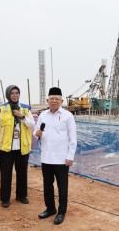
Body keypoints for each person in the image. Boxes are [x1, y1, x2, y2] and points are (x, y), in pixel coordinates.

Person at [34, 87, 77, 225]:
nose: (54, 101)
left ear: (61, 101)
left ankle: (61, 211)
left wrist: (70, 157)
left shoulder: (67, 116)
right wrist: (37, 133)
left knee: (62, 187)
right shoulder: (43, 115)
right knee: (47, 185)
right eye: (51, 98)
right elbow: (36, 130)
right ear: (47, 100)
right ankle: (50, 208)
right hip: (46, 157)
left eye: (56, 99)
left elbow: (73, 139)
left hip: (62, 159)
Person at [0, 85, 35, 208]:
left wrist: (21, 116)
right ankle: (5, 198)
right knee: (6, 174)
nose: (15, 95)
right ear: (8, 95)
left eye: (17, 93)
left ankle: (22, 196)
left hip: (23, 147)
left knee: (22, 173)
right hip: (6, 148)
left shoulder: (26, 109)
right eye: (12, 93)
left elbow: (32, 125)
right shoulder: (1, 109)